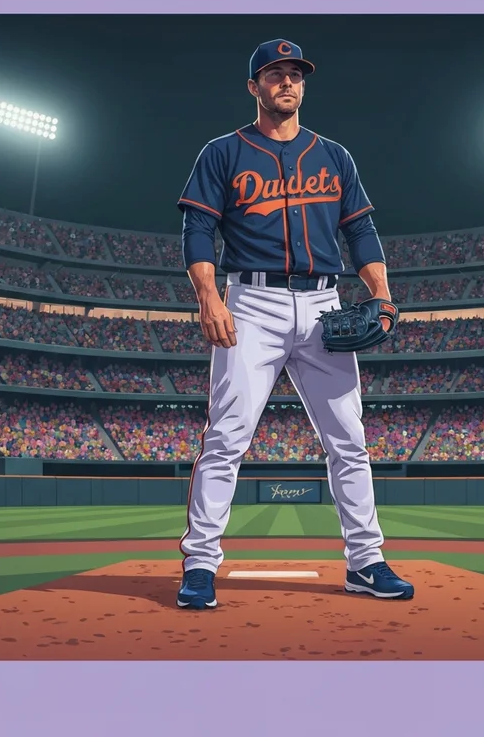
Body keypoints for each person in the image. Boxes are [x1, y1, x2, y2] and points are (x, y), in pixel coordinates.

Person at [175, 39, 413, 609]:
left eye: (296, 75)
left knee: (350, 441)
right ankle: (201, 564)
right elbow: (199, 230)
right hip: (251, 304)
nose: (288, 82)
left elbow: (360, 232)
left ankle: (366, 562)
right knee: (227, 435)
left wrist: (380, 292)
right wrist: (209, 296)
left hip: (325, 305)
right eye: (275, 74)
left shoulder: (334, 155)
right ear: (254, 86)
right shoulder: (223, 152)